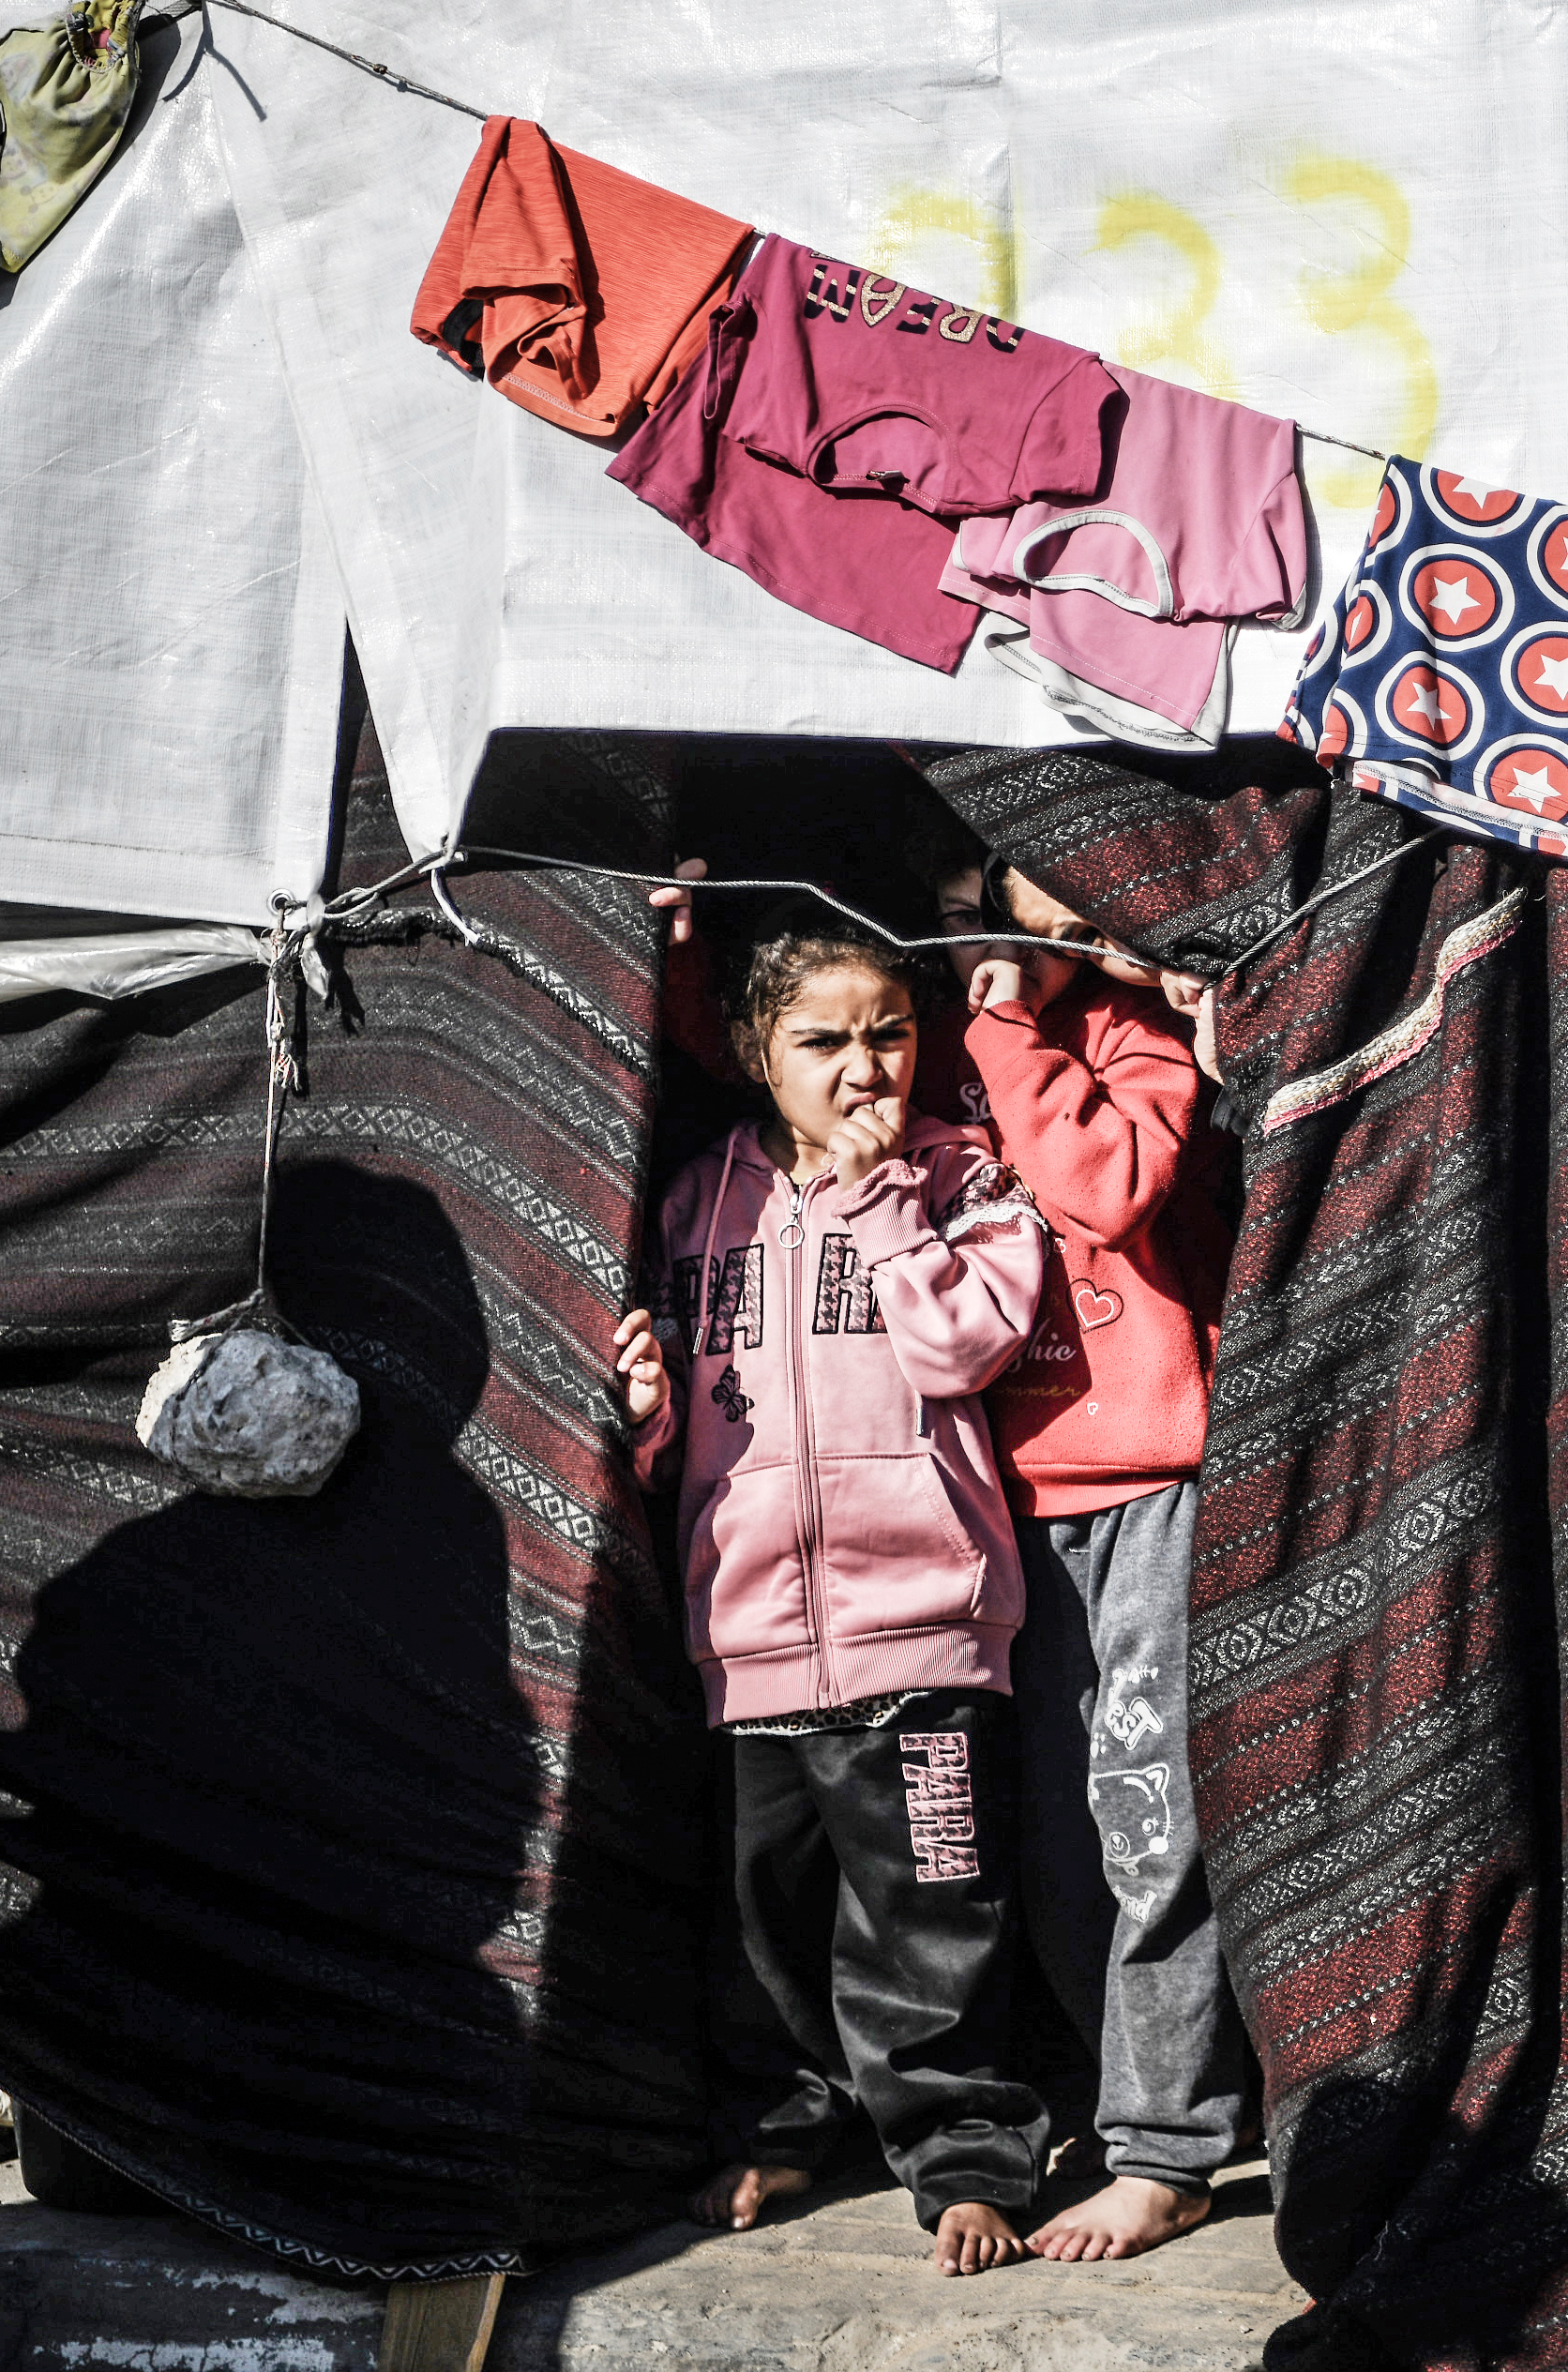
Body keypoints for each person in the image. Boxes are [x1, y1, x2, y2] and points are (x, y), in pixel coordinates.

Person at [611, 921, 1056, 2276]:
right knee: (770, 1921)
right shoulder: (701, 1199)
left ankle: (969, 2151)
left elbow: (967, 1345)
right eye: (823, 1042)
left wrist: (879, 1207)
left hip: (919, 1618)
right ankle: (793, 2120)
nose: (866, 1070)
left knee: (934, 1903)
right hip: (747, 1632)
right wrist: (641, 1416)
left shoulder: (964, 1177)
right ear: (758, 1055)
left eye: (889, 1033)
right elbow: (682, 1416)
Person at [923, 837, 1250, 2264]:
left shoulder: (1131, 1035)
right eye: (1008, 910)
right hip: (987, 1493)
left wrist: (1013, 1026)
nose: (1035, 935)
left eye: (1069, 910)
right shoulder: (928, 1043)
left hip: (1145, 1479)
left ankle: (1171, 2145)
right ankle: (1103, 2090)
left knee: (1148, 1817)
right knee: (1043, 1832)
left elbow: (1111, 1186)